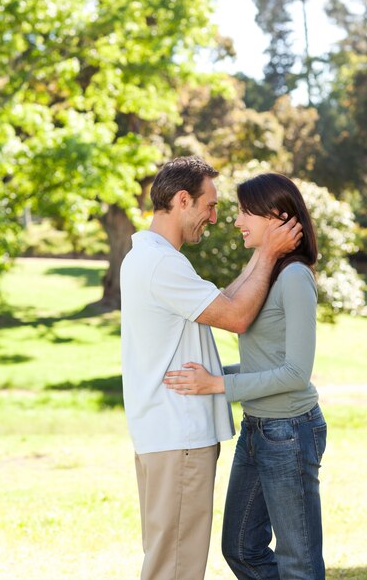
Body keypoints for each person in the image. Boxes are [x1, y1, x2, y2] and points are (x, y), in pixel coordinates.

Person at [120, 157, 302, 580]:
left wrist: (263, 255)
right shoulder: (162, 264)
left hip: (162, 435)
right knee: (176, 567)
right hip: (178, 435)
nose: (216, 217)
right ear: (183, 200)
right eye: (210, 205)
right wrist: (271, 251)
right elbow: (237, 315)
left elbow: (223, 298)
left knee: (167, 557)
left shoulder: (149, 257)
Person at [164, 172, 327, 580]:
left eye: (245, 212)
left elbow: (295, 373)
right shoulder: (268, 273)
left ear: (276, 217)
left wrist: (217, 384)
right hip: (257, 429)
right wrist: (206, 377)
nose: (236, 221)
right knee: (240, 547)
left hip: (290, 430)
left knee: (298, 562)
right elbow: (231, 307)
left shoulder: (294, 278)